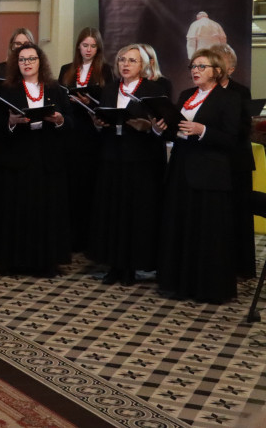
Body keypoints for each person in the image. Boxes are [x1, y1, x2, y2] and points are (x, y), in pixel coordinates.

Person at [154, 48, 242, 303]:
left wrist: (203, 130)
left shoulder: (229, 99)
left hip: (210, 175)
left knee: (206, 232)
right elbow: (176, 131)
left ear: (217, 71)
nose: (195, 70)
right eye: (193, 66)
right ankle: (180, 283)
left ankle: (207, 287)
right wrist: (160, 129)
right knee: (181, 228)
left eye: (201, 66)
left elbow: (231, 139)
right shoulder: (185, 95)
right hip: (182, 169)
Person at [0, 43, 72, 276]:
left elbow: (71, 122)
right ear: (16, 63)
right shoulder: (7, 90)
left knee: (46, 211)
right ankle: (16, 261)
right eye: (22, 59)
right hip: (19, 158)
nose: (27, 63)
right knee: (19, 211)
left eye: (31, 58)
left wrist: (60, 120)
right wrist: (12, 121)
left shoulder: (56, 89)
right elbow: (0, 126)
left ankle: (46, 262)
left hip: (47, 159)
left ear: (40, 61)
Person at [88, 44, 167, 286]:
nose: (125, 64)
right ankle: (113, 265)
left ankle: (132, 266)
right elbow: (103, 118)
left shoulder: (153, 90)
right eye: (122, 59)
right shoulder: (110, 89)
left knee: (136, 213)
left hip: (140, 159)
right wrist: (99, 124)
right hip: (112, 157)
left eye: (132, 60)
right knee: (112, 211)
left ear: (142, 66)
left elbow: (164, 126)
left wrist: (150, 127)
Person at [57, 28, 114, 252]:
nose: (88, 50)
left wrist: (89, 103)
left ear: (98, 48)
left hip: (92, 134)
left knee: (88, 184)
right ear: (78, 47)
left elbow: (108, 103)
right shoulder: (67, 69)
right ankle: (69, 236)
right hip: (71, 132)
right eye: (84, 45)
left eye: (92, 46)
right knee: (70, 185)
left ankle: (86, 237)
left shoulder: (105, 71)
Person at [212, 43, 256, 278]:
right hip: (213, 161)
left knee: (238, 212)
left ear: (231, 69)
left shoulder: (240, 92)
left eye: (219, 64)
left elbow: (243, 127)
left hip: (235, 161)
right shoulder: (203, 90)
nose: (215, 69)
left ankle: (241, 265)